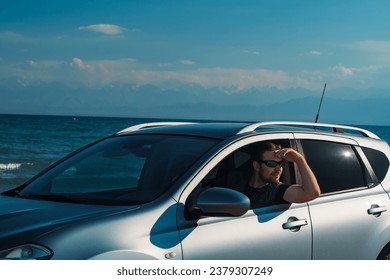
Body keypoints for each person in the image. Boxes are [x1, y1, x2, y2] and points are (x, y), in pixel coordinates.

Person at [244, 142, 320, 208]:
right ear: (257, 166)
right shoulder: (238, 180)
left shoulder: (277, 190)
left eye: (280, 164)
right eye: (272, 163)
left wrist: (299, 159)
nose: (278, 169)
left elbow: (312, 193)